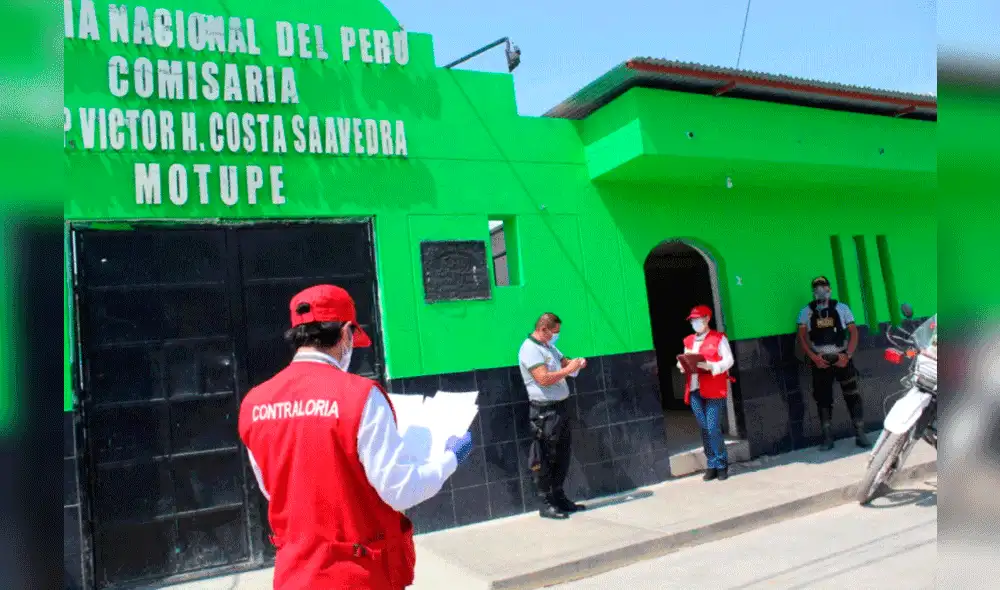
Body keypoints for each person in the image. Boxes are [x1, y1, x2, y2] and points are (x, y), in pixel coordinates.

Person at [238, 284, 473, 590]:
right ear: (347, 332)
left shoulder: (254, 402)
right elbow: (400, 491)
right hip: (358, 574)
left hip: (294, 574)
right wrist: (449, 459)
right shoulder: (360, 396)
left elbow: (274, 488)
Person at [518, 312, 587, 519]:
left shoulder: (549, 347)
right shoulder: (530, 349)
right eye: (554, 332)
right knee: (546, 456)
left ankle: (559, 495)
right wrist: (568, 371)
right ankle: (546, 502)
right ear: (543, 329)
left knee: (562, 454)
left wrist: (575, 363)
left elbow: (564, 362)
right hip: (544, 412)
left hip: (560, 408)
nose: (556, 336)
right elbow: (543, 379)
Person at [797, 276, 870, 451]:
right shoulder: (806, 311)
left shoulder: (842, 308)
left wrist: (848, 355)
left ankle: (860, 434)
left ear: (830, 288)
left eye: (824, 286)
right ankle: (827, 437)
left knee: (852, 394)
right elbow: (802, 337)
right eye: (817, 287)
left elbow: (853, 332)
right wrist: (814, 357)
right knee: (823, 399)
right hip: (820, 360)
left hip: (841, 358)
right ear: (813, 290)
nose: (821, 289)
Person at [677, 305, 735, 481]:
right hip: (695, 388)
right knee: (704, 428)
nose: (695, 323)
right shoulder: (689, 341)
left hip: (713, 388)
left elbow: (729, 360)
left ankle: (721, 463)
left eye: (698, 319)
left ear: (707, 318)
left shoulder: (718, 338)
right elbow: (687, 359)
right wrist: (682, 365)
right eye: (692, 320)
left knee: (712, 427)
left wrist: (713, 367)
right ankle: (711, 463)